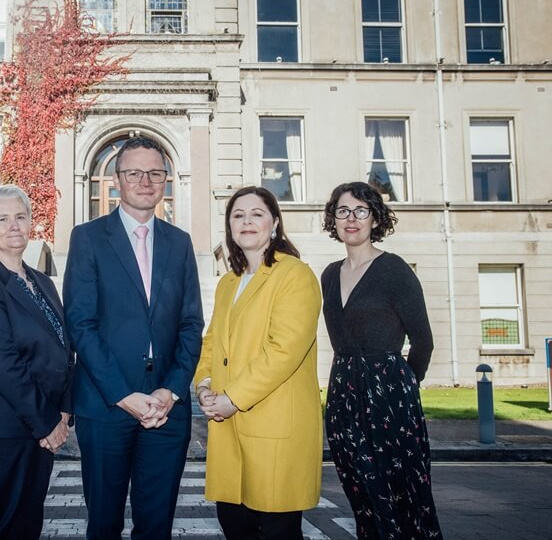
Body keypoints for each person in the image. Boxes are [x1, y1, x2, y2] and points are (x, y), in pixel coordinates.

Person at [63, 136, 204, 540]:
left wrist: (172, 391)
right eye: (134, 173)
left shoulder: (180, 243)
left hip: (166, 408)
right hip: (106, 407)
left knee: (156, 525)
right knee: (104, 523)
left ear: (166, 180)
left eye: (155, 173)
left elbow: (191, 324)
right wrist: (123, 395)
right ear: (117, 179)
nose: (146, 181)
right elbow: (80, 324)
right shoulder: (87, 238)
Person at [193, 186, 322, 540]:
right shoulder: (227, 283)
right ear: (229, 228)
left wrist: (231, 399)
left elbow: (284, 351)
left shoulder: (295, 275)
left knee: (277, 532)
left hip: (273, 428)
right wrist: (203, 384)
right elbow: (211, 342)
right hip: (227, 429)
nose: (246, 221)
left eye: (257, 214)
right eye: (238, 215)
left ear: (275, 223)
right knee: (235, 527)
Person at [321, 181, 442, 539]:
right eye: (343, 211)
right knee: (361, 495)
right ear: (334, 220)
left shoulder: (394, 270)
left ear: (375, 219)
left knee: (403, 498)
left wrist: (400, 385)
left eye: (361, 210)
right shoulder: (328, 275)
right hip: (343, 393)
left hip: (390, 396)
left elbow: (423, 341)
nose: (352, 218)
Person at [0, 184, 74, 540]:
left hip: (37, 426)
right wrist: (47, 423)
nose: (14, 226)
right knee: (2, 527)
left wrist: (64, 410)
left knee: (26, 525)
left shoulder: (41, 282)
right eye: (2, 219)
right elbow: (4, 365)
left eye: (20, 217)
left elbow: (64, 350)